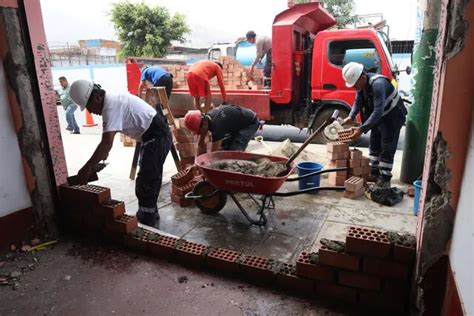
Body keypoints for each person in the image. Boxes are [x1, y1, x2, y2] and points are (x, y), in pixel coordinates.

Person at [69, 79, 172, 227]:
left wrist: (87, 168)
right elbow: (107, 143)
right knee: (147, 179)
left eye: (89, 107)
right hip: (150, 135)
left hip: (157, 135)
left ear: (97, 97)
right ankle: (150, 214)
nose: (90, 112)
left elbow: (106, 143)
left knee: (147, 182)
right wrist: (102, 154)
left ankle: (147, 222)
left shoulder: (110, 106)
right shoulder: (111, 100)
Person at [341, 62, 407, 188]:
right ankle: (374, 172)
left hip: (392, 116)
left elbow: (378, 111)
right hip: (380, 117)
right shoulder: (362, 85)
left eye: (355, 84)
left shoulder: (378, 85)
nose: (355, 87)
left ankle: (385, 177)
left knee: (387, 145)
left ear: (363, 77)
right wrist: (351, 115)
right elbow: (358, 101)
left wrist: (361, 129)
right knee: (374, 141)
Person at [183, 104, 259, 155]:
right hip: (235, 124)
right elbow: (200, 143)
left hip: (249, 123)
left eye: (199, 131)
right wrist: (197, 163)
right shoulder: (207, 118)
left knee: (235, 150)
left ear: (204, 125)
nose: (200, 134)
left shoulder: (217, 127)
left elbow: (213, 154)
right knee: (225, 147)